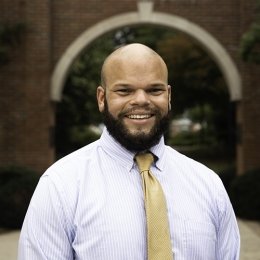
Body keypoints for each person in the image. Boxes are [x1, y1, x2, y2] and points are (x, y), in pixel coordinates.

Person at [18, 43, 240, 259]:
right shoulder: (60, 186)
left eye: (154, 90)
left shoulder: (208, 185)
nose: (141, 100)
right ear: (102, 98)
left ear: (169, 96)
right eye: (125, 90)